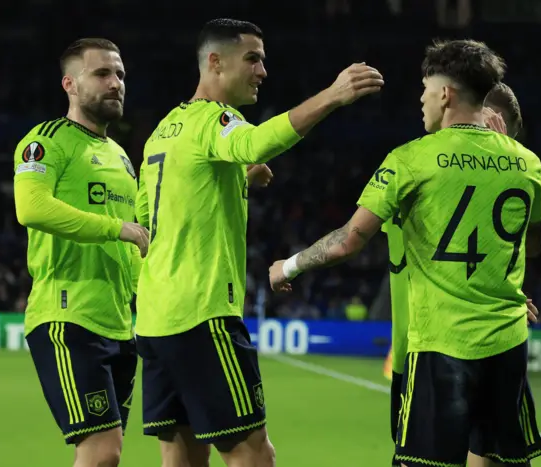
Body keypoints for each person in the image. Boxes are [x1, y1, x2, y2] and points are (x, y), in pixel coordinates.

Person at [269, 39, 541, 467]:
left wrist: (287, 265)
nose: (420, 99)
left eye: (424, 88)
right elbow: (532, 242)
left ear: (444, 94)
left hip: (440, 346)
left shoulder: (410, 160)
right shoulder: (527, 163)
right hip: (506, 348)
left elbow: (347, 240)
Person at [133, 18, 383, 467]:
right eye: (252, 59)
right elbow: (257, 141)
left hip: (154, 321)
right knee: (252, 453)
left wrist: (238, 182)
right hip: (203, 316)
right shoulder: (215, 119)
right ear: (215, 62)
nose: (262, 71)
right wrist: (333, 95)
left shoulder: (165, 130)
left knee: (182, 457)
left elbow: (158, 215)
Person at [13, 38, 149, 467]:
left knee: (108, 454)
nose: (116, 84)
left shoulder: (122, 158)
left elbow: (138, 244)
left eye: (121, 75)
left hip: (118, 325)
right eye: (102, 74)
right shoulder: (46, 141)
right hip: (67, 316)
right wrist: (116, 228)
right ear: (70, 83)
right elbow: (30, 207)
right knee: (101, 451)